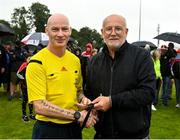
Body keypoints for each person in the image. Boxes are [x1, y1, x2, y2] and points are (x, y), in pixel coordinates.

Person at [26, 13, 97, 139]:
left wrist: (83, 99)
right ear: (47, 31)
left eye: (64, 29)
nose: (60, 34)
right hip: (48, 130)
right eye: (55, 29)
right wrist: (77, 115)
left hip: (73, 129)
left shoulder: (75, 60)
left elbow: (78, 90)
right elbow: (40, 106)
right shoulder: (37, 62)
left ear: (70, 31)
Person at [85, 14, 156, 139]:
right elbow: (90, 92)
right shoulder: (94, 61)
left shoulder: (141, 57)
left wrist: (112, 101)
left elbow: (148, 93)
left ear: (126, 32)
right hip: (103, 135)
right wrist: (88, 105)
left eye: (118, 29)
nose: (113, 33)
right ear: (102, 32)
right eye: (108, 29)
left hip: (135, 136)